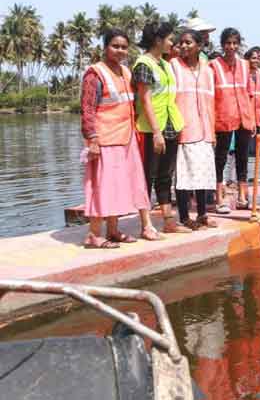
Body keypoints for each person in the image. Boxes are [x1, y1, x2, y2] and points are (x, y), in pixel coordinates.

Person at [80, 29, 156, 247]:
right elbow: (87, 109)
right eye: (115, 46)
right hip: (104, 139)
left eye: (124, 47)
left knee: (118, 186)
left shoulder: (126, 72)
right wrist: (92, 140)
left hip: (126, 137)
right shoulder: (95, 74)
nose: (120, 50)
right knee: (102, 185)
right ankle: (94, 234)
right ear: (105, 47)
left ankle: (113, 230)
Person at [132, 22, 191, 234]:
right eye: (169, 39)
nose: (172, 43)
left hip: (170, 125)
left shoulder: (165, 64)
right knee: (147, 176)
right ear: (158, 40)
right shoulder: (143, 64)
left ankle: (168, 221)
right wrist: (156, 132)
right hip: (151, 128)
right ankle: (146, 225)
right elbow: (145, 100)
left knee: (166, 175)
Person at [171, 29, 219, 230]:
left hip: (205, 130)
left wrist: (213, 131)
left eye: (188, 43)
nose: (183, 46)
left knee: (203, 174)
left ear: (199, 46)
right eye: (181, 42)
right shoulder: (174, 66)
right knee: (183, 176)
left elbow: (211, 102)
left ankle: (202, 214)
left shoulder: (207, 70)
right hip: (184, 129)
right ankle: (183, 216)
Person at [210, 28, 255, 213]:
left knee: (242, 158)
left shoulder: (245, 65)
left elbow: (249, 94)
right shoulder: (214, 65)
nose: (231, 46)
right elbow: (210, 96)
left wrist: (252, 120)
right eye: (228, 43)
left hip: (243, 117)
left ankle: (242, 197)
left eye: (235, 43)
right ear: (222, 44)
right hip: (223, 118)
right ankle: (219, 198)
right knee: (220, 159)